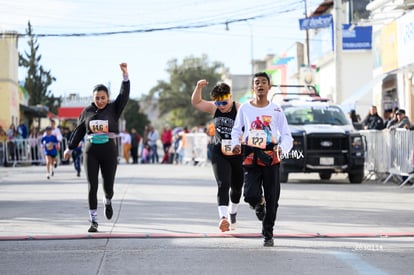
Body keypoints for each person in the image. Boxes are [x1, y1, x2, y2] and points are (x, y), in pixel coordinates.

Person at [63, 63, 130, 233]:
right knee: (92, 186)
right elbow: (78, 131)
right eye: (97, 98)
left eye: (103, 97)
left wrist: (125, 76)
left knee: (108, 187)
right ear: (93, 98)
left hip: (109, 151)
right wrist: (70, 148)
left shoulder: (114, 108)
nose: (100, 101)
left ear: (107, 97)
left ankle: (107, 200)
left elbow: (124, 95)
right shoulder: (87, 112)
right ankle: (93, 221)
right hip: (90, 151)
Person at [231, 72, 293, 247]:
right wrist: (236, 143)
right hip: (251, 154)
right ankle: (258, 202)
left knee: (273, 198)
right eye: (257, 82)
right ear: (253, 87)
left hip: (271, 155)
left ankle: (268, 233)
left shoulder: (276, 109)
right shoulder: (245, 108)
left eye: (264, 82)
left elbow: (286, 135)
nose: (260, 85)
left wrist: (282, 148)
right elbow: (236, 130)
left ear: (269, 87)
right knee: (250, 194)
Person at [191, 79, 244, 232]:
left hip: (238, 152)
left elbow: (251, 127)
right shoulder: (215, 108)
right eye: (219, 103)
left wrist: (241, 138)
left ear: (231, 97)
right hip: (219, 151)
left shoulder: (240, 109)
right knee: (223, 184)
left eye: (225, 102)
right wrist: (198, 87)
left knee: (236, 188)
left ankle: (232, 213)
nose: (222, 106)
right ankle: (223, 218)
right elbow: (196, 102)